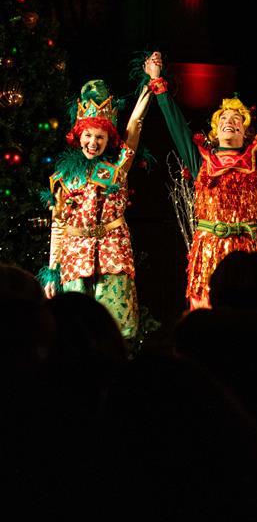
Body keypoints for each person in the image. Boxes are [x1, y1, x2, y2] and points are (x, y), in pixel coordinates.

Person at [145, 50, 257, 309]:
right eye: (224, 118)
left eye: (237, 120)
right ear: (215, 129)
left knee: (249, 315)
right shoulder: (201, 161)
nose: (229, 122)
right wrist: (158, 82)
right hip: (208, 250)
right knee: (207, 317)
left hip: (247, 253)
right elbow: (176, 126)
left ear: (246, 131)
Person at [40, 73, 153, 338]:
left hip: (113, 254)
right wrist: (52, 271)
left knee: (116, 328)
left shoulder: (116, 168)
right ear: (79, 136)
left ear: (109, 139)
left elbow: (135, 125)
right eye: (88, 135)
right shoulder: (63, 177)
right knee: (75, 328)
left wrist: (150, 85)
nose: (93, 143)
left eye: (100, 137)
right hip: (74, 259)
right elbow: (58, 225)